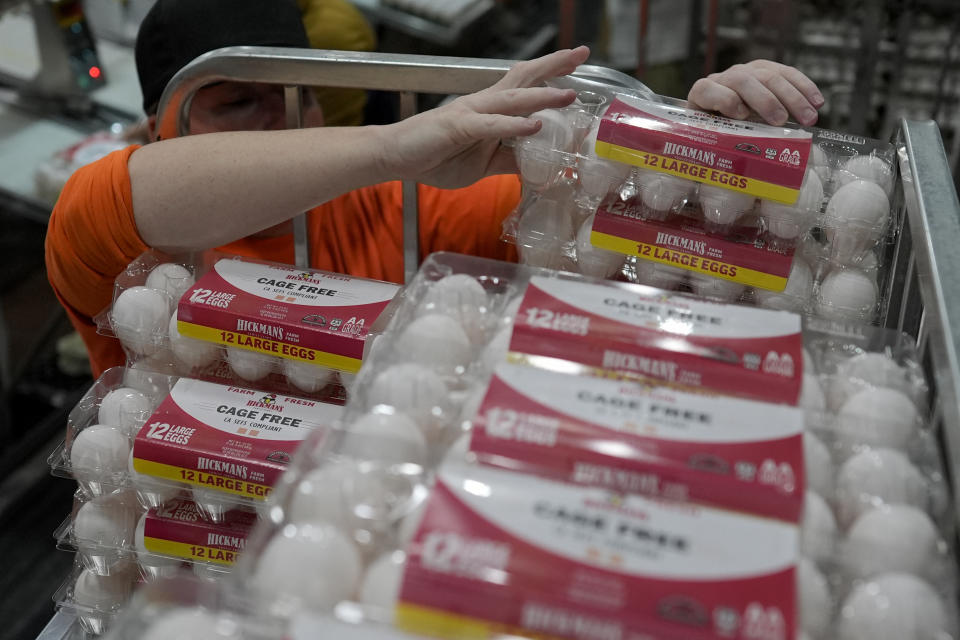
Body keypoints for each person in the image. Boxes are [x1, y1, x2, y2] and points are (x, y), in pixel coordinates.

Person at [45, 0, 824, 378]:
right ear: (155, 129)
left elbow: (629, 219)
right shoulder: (130, 248)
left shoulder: (406, 209)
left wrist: (704, 138)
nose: (280, 124)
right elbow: (110, 197)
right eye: (236, 102)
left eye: (297, 97)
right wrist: (389, 145)